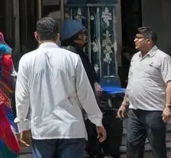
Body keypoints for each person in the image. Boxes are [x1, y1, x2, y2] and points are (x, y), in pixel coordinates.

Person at [15, 16, 105, 158]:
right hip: (71, 129)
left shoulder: (26, 60)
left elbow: (22, 98)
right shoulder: (72, 58)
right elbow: (85, 94)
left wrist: (23, 126)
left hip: (42, 129)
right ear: (58, 36)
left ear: (36, 36)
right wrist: (97, 121)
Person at [119, 27, 171, 158]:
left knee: (157, 148)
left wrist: (168, 106)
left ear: (149, 41)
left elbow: (170, 83)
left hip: (154, 111)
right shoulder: (135, 58)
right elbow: (131, 82)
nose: (135, 40)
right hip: (135, 111)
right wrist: (124, 103)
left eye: (138, 38)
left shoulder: (162, 58)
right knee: (132, 146)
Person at [60, 20, 103, 156]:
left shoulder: (77, 52)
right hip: (79, 101)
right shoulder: (72, 53)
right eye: (82, 34)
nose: (85, 37)